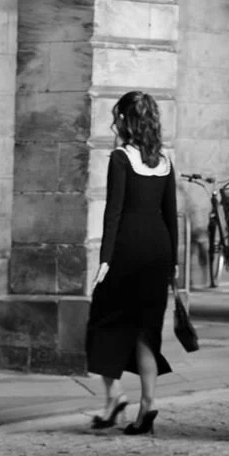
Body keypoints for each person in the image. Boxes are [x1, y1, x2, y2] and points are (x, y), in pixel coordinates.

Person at [86, 92, 179, 436]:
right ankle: (148, 403)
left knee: (103, 324)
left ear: (126, 120)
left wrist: (105, 260)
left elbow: (114, 213)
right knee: (146, 333)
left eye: (118, 117)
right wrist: (175, 264)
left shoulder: (121, 158)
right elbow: (172, 216)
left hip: (126, 251)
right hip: (159, 252)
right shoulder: (165, 161)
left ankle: (114, 397)